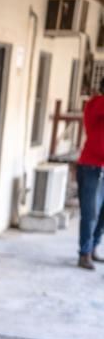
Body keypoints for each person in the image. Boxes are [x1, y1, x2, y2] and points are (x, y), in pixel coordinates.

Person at [76, 77, 104, 270]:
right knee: (90, 213)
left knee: (102, 214)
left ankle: (93, 247)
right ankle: (84, 253)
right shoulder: (96, 103)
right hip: (91, 166)